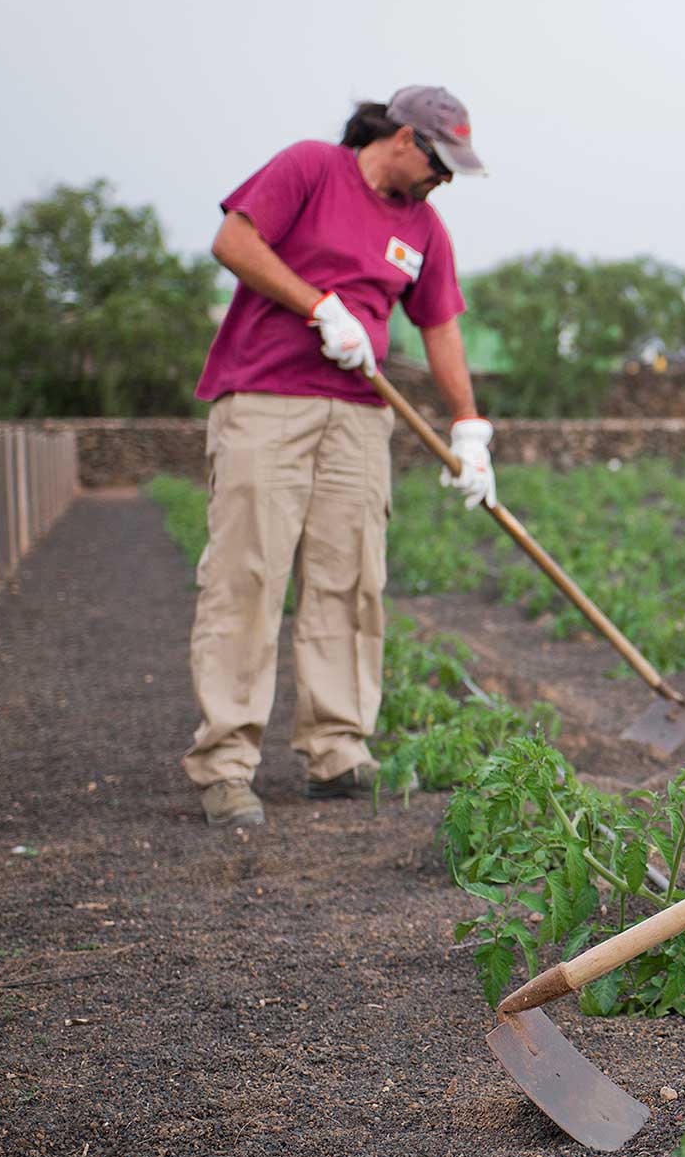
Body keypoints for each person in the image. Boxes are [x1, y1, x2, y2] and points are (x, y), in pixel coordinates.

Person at [182, 86, 499, 829]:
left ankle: (337, 750)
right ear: (403, 141)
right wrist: (319, 306)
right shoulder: (310, 169)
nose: (444, 180)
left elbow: (442, 327)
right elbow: (233, 242)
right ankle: (226, 763)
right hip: (267, 398)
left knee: (351, 577)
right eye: (440, 164)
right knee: (249, 574)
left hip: (361, 416)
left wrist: (468, 428)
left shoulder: (424, 227)